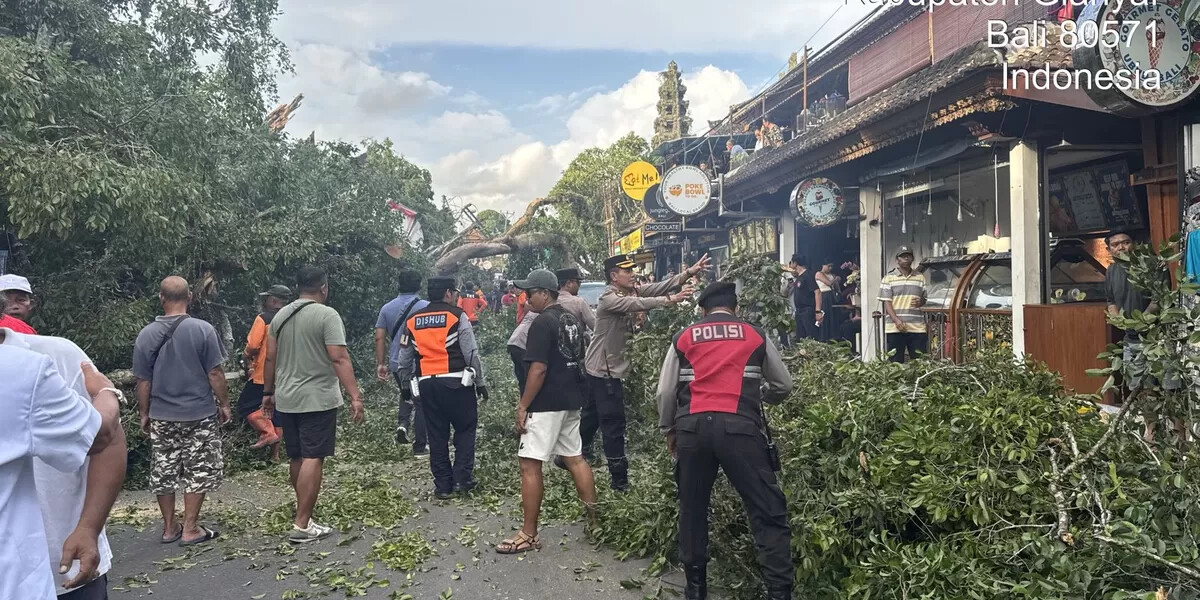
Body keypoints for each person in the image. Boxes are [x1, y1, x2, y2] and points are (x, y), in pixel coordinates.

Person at [656, 282, 794, 600]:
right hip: (741, 430)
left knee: (692, 510)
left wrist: (670, 430)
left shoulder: (685, 336)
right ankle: (779, 592)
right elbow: (783, 384)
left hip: (692, 431)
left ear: (703, 311)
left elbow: (664, 392)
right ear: (736, 309)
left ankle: (696, 589)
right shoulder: (754, 334)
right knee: (767, 511)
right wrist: (759, 397)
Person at [1, 298, 125, 600]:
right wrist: (107, 391)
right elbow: (104, 431)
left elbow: (109, 442)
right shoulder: (25, 369)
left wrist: (89, 527)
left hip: (64, 563)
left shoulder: (54, 356)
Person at [581, 252, 708, 491]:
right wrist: (670, 300)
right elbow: (637, 304)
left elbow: (658, 286)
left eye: (632, 270)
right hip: (604, 370)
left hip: (599, 368)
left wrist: (689, 273)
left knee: (591, 416)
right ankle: (620, 481)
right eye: (627, 271)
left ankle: (572, 455)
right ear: (614, 276)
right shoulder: (609, 298)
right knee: (613, 424)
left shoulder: (631, 290)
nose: (633, 274)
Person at [496, 269, 597, 555]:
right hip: (571, 399)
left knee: (529, 464)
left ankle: (528, 534)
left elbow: (538, 369)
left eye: (530, 293)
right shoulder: (571, 318)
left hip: (547, 403)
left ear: (545, 293)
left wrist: (523, 405)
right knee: (575, 459)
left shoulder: (542, 323)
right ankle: (594, 521)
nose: (526, 299)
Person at [263, 266, 365, 543]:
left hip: (286, 397)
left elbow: (270, 359)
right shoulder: (327, 315)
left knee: (296, 456)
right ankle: (302, 523)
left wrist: (268, 392)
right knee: (313, 456)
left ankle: (304, 515)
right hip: (317, 398)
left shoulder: (280, 316)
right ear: (324, 287)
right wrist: (355, 395)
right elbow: (339, 358)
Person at [132, 276, 231, 547]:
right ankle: (190, 528)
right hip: (198, 413)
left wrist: (144, 413)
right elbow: (214, 371)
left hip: (162, 415)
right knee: (198, 468)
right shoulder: (203, 330)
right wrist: (223, 404)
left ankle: (168, 527)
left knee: (163, 469)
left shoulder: (146, 334)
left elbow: (143, 381)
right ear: (190, 297)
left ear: (161, 298)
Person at [397, 277, 488, 500]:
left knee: (436, 435)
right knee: (465, 430)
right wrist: (481, 383)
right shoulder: (457, 316)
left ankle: (443, 486)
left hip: (427, 383)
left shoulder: (413, 319)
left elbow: (403, 359)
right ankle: (462, 480)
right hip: (457, 382)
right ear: (448, 293)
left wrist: (406, 387)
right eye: (455, 292)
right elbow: (471, 353)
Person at [1104, 231, 1177, 439]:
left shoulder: (1153, 264)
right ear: (1109, 249)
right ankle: (1152, 434)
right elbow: (1111, 302)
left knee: (1171, 389)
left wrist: (1140, 320)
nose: (1121, 247)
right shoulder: (1111, 271)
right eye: (1115, 244)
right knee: (1142, 390)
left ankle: (1180, 438)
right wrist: (1118, 319)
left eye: (1126, 242)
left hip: (1161, 338)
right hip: (1132, 341)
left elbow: (1159, 299)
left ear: (1134, 244)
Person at [374, 270, 430, 454]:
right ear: (419, 285)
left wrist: (381, 363)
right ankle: (421, 444)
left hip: (397, 362)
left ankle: (403, 425)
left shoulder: (386, 308)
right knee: (421, 400)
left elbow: (379, 338)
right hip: (421, 361)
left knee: (406, 392)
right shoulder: (426, 307)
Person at [241, 284, 292, 457]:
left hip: (263, 374)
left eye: (268, 298)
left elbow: (253, 345)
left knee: (245, 406)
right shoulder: (292, 319)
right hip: (286, 374)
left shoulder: (263, 318)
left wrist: (246, 354)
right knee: (277, 412)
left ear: (274, 300)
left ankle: (268, 433)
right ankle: (275, 456)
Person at [880, 247, 928, 363]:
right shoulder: (888, 278)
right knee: (895, 364)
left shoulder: (920, 277)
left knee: (920, 362)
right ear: (897, 260)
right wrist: (896, 320)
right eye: (903, 256)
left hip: (917, 327)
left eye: (909, 256)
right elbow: (887, 302)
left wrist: (921, 301)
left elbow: (924, 299)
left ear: (912, 259)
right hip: (895, 327)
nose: (906, 258)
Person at [788, 254, 822, 340]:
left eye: (791, 262)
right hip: (799, 311)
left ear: (795, 263)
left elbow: (817, 292)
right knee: (800, 337)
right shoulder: (799, 277)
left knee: (810, 336)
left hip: (807, 310)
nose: (791, 265)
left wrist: (818, 311)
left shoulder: (808, 275)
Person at [507, 308, 539, 396]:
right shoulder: (540, 316)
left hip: (514, 342)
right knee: (528, 378)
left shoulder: (532, 313)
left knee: (523, 378)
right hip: (521, 345)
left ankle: (524, 401)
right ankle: (527, 403)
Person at [555, 268, 596, 333]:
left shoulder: (550, 301)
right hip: (576, 342)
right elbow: (595, 326)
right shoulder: (579, 302)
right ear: (569, 283)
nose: (579, 286)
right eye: (578, 282)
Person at [815, 262, 840, 342]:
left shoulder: (832, 275)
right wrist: (835, 279)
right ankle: (823, 337)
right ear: (823, 265)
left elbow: (836, 287)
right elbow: (829, 283)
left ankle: (833, 336)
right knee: (825, 315)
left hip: (831, 295)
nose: (830, 268)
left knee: (832, 317)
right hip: (824, 295)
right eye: (828, 266)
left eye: (831, 267)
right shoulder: (819, 274)